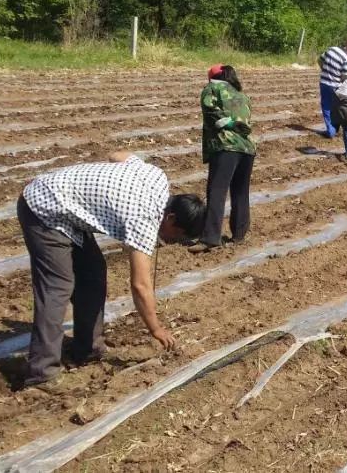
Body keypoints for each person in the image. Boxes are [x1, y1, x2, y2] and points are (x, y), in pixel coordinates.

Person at [17, 153, 206, 388]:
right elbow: (140, 285)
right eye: (176, 234)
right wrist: (156, 329)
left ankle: (87, 349)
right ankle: (41, 374)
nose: (172, 240)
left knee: (93, 276)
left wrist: (96, 188)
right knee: (57, 287)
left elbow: (117, 155)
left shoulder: (158, 177)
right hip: (43, 208)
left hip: (69, 211)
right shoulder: (144, 219)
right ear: (171, 217)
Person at [190, 64, 256, 254]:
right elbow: (246, 121)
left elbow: (212, 117)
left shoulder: (211, 89)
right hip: (247, 148)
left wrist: (228, 122)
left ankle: (211, 238)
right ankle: (239, 234)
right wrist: (236, 123)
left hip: (226, 147)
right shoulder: (242, 95)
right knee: (240, 192)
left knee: (217, 191)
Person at [318, 42, 347, 138]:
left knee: (326, 107)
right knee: (335, 108)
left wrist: (325, 71)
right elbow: (344, 77)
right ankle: (332, 131)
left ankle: (332, 129)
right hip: (336, 86)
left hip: (324, 83)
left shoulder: (331, 49)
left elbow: (320, 60)